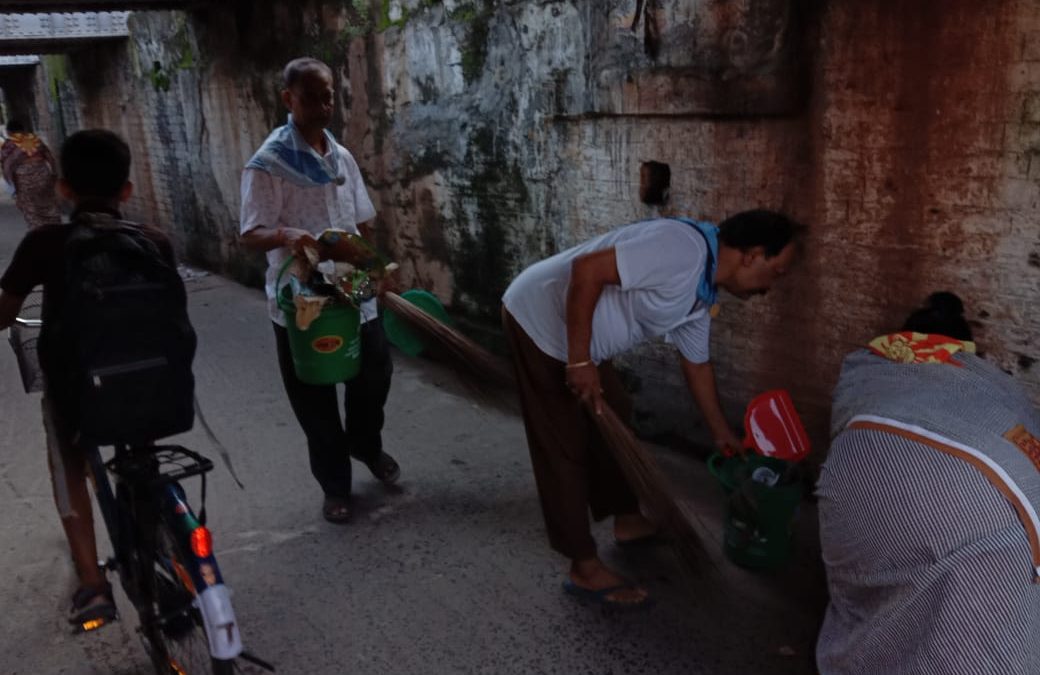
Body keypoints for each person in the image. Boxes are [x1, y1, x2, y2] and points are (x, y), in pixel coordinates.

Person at [501, 209, 804, 607]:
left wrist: (721, 434)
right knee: (563, 445)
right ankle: (584, 567)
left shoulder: (701, 292)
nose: (772, 287)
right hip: (541, 323)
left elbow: (696, 363)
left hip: (581, 340)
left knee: (615, 415)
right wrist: (578, 362)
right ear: (752, 255)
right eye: (777, 271)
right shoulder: (681, 250)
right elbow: (587, 270)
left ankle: (627, 519)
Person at [0, 130, 176, 624]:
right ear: (127, 190)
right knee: (140, 446)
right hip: (154, 383)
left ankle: (94, 585)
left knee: (68, 462)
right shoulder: (154, 241)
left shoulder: (44, 244)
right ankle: (165, 536)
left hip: (79, 390)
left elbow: (4, 311)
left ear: (63, 188)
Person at [817, 292, 1040, 674]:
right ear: (965, 350)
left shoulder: (868, 369)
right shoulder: (993, 385)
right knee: (985, 629)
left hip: (856, 477)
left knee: (887, 598)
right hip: (984, 505)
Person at [240, 57, 399, 524]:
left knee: (374, 378)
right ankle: (335, 487)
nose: (324, 106)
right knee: (315, 399)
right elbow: (249, 234)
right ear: (288, 99)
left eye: (329, 96)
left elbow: (362, 219)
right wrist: (287, 235)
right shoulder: (268, 164)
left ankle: (366, 445)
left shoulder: (341, 157)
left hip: (353, 294)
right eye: (312, 97)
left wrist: (375, 267)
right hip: (302, 302)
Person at [1, 120, 61, 229]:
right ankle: (56, 231)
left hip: (24, 179)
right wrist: (53, 175)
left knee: (31, 209)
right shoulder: (35, 139)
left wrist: (15, 191)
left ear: (9, 131)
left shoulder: (9, 144)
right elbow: (50, 157)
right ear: (23, 129)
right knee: (49, 204)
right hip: (43, 174)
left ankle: (39, 235)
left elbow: (7, 166)